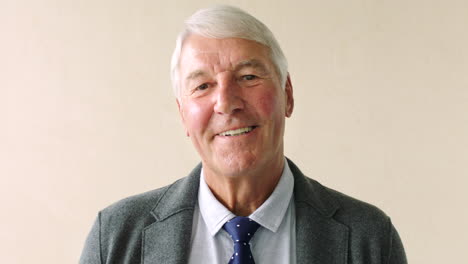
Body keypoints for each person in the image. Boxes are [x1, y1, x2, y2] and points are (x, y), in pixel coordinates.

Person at [80, 5, 407, 264]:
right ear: (183, 114)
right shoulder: (115, 237)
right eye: (203, 85)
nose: (226, 103)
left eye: (248, 77)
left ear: (287, 94)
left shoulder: (370, 238)